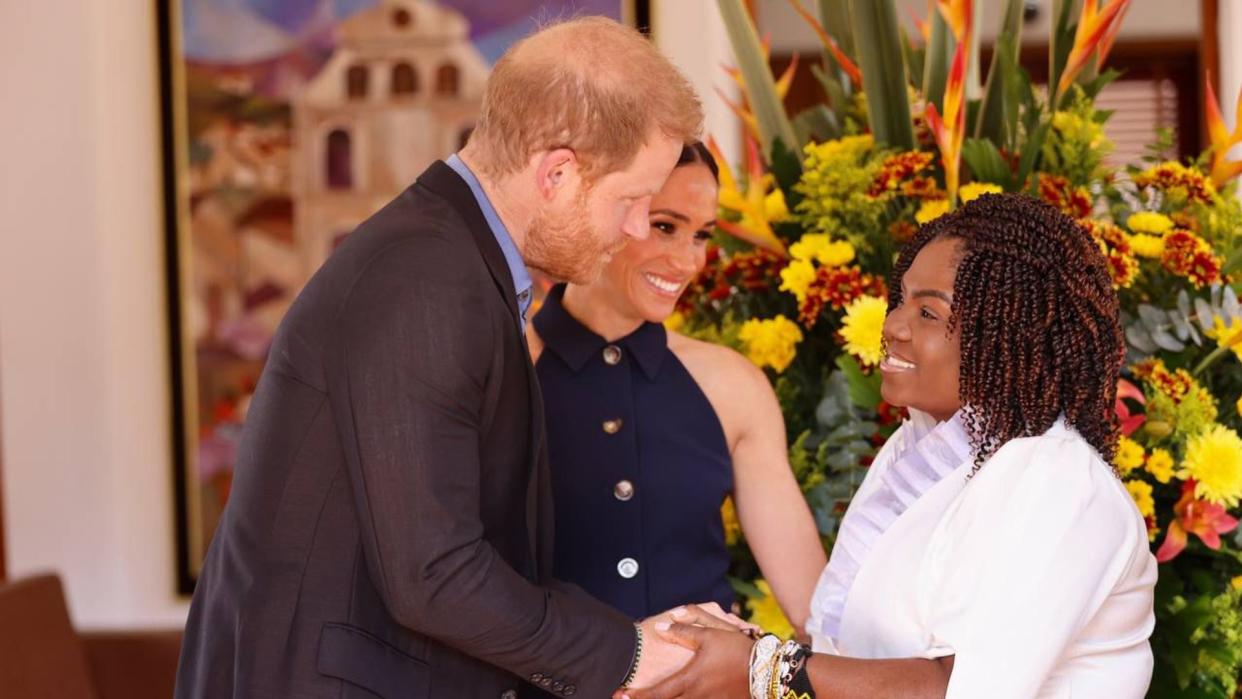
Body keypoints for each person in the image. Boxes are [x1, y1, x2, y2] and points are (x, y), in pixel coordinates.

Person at [175, 17, 713, 699]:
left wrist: (633, 640)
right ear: (557, 173)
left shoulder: (451, 260)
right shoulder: (425, 280)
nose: (636, 229)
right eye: (632, 201)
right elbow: (435, 575)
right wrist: (631, 655)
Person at [624, 193, 1158, 699]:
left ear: (1011, 333)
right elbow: (850, 656)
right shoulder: (918, 452)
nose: (894, 326)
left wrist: (760, 667)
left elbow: (959, 688)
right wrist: (725, 647)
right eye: (900, 301)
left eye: (928, 313)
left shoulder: (1059, 481)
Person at [526, 142, 825, 634]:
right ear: (600, 209)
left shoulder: (734, 385)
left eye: (701, 235)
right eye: (665, 226)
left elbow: (816, 608)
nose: (688, 262)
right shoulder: (507, 369)